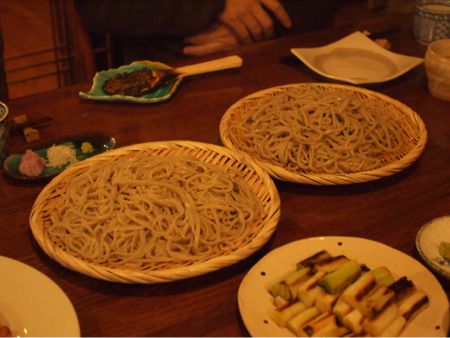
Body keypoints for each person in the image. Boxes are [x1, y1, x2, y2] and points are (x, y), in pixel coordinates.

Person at [74, 0, 343, 65]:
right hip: (171, 73)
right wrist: (215, 6)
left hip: (285, 58)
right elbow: (99, 8)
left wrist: (258, 21)